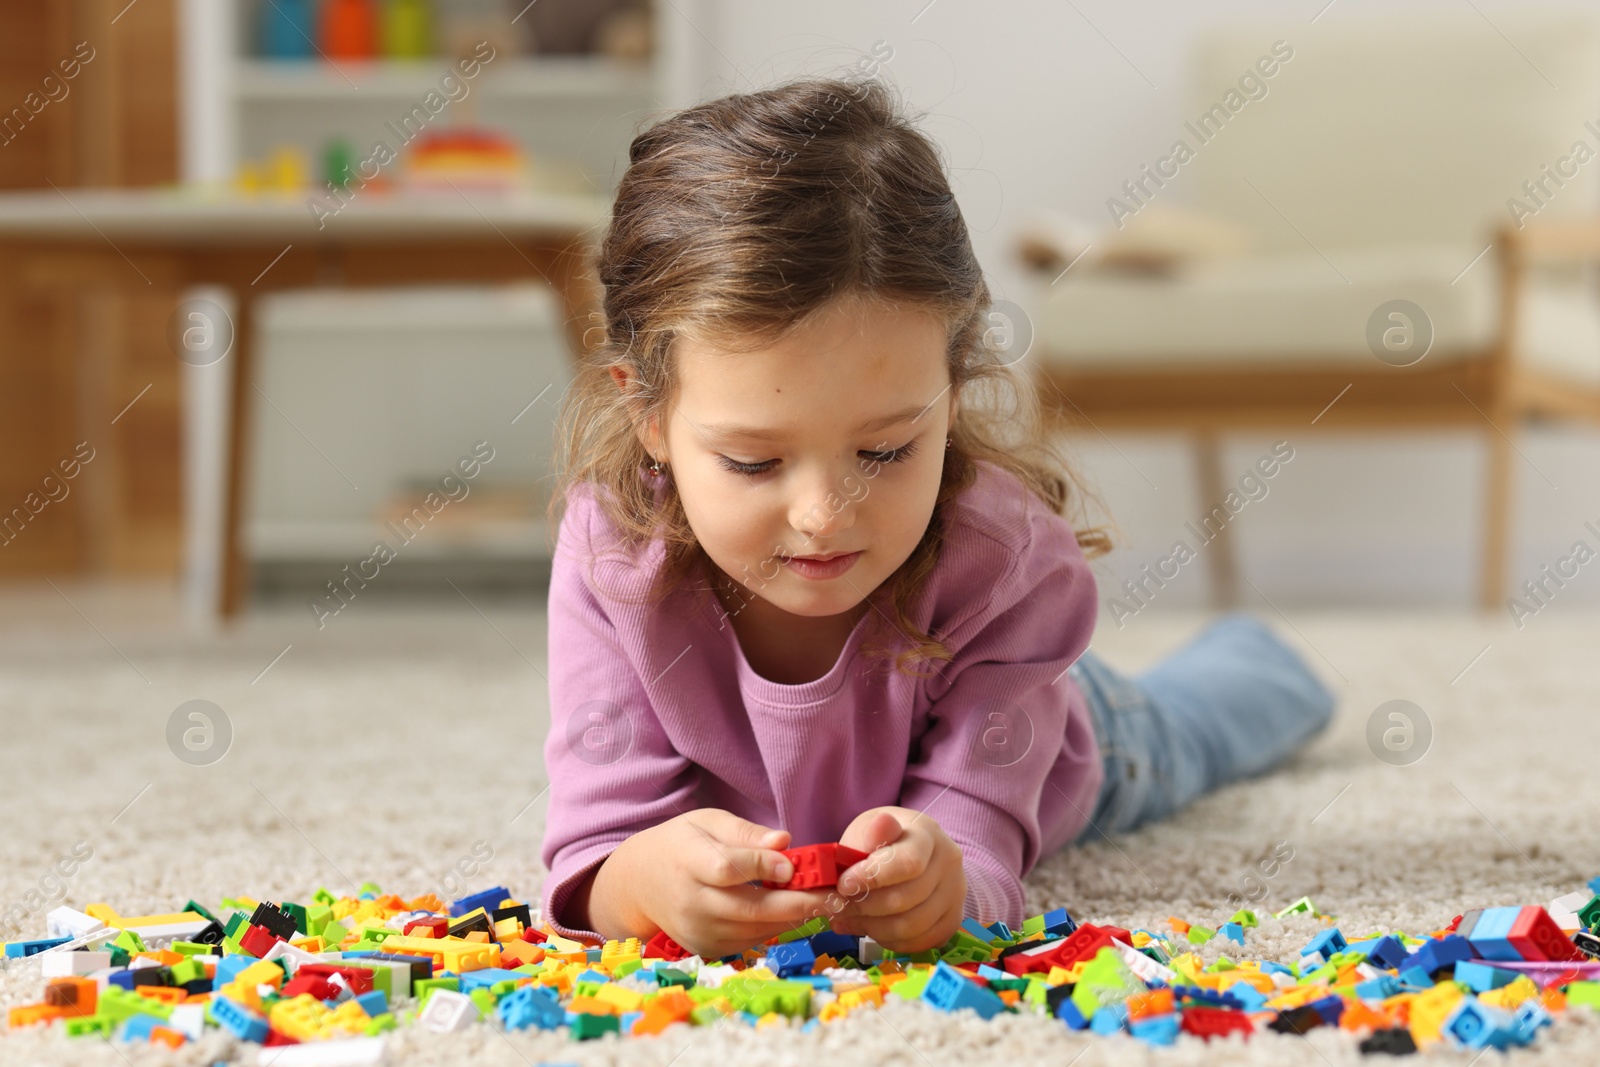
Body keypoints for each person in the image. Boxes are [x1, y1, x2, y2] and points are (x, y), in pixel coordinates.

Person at [538, 75, 1334, 961]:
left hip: (1066, 734)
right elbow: (595, 850)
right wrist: (643, 879)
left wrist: (951, 877)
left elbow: (984, 849)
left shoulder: (1011, 561)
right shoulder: (616, 555)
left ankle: (1263, 660)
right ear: (648, 412)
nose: (821, 514)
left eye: (883, 452)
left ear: (951, 395)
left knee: (1192, 732)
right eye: (754, 461)